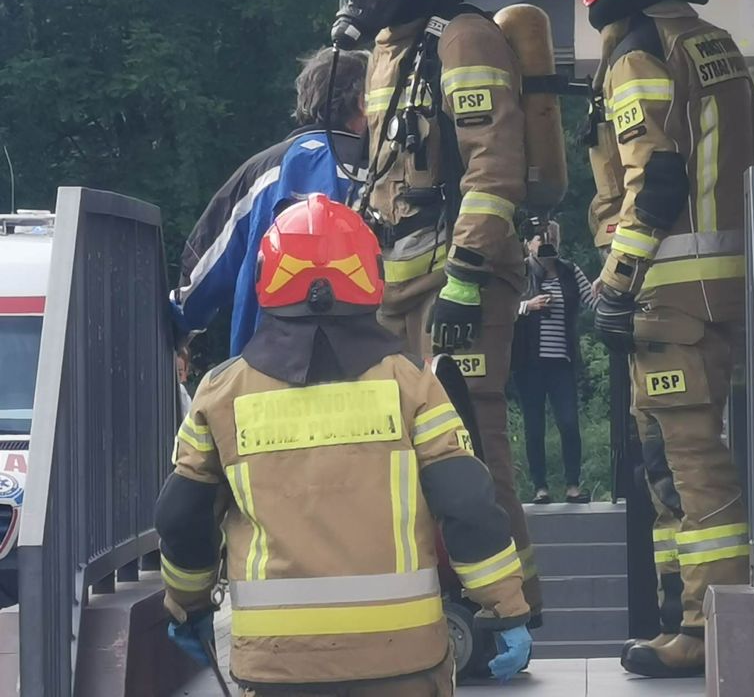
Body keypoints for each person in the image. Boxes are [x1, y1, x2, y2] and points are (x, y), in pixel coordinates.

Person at [155, 195, 533, 695]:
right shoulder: (412, 383)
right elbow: (467, 503)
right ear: (370, 274)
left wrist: (190, 606)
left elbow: (182, 515)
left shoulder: (222, 392)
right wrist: (505, 607)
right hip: (403, 659)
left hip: (277, 667)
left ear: (267, 277)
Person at [557, 0, 754, 678]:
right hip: (724, 288)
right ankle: (676, 611)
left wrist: (616, 281)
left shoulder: (636, 55)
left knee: (689, 459)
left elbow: (653, 177)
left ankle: (709, 628)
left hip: (666, 293)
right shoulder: (713, 41)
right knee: (666, 456)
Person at [321, 0, 542, 615]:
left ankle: (512, 601)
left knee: (473, 439)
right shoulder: (390, 49)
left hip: (458, 278)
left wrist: (468, 277)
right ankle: (434, 595)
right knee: (398, 445)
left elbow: (494, 168)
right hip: (396, 282)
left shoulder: (464, 39)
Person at [169, 47, 369, 356]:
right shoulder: (387, 171)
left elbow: (200, 280)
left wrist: (181, 325)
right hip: (369, 374)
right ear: (363, 103)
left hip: (264, 376)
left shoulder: (260, 174)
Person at [511, 222, 596, 504]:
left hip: (562, 361)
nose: (546, 244)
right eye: (540, 239)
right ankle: (540, 487)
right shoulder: (519, 272)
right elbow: (501, 308)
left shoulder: (569, 271)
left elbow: (592, 301)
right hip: (528, 363)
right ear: (528, 244)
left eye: (552, 239)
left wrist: (609, 287)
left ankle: (573, 485)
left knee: (569, 423)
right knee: (534, 426)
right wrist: (528, 306)